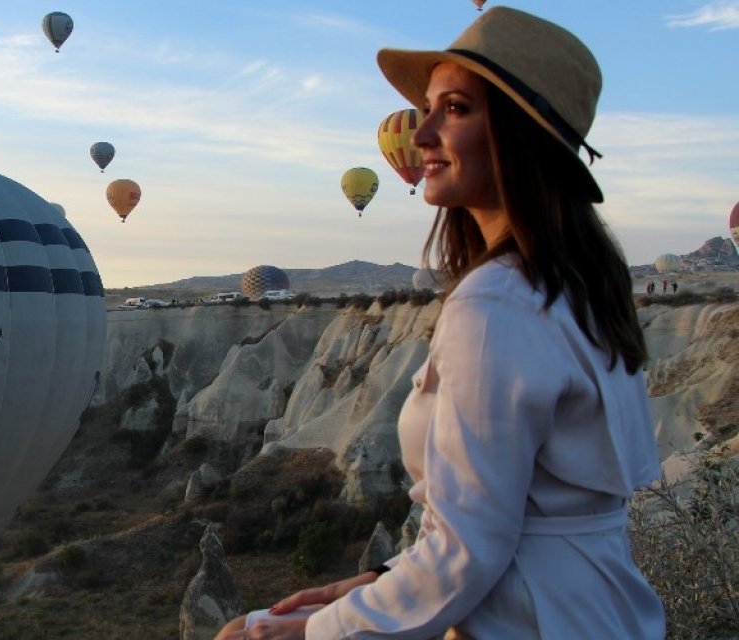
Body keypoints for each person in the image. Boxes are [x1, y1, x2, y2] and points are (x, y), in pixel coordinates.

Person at [217, 7, 664, 639]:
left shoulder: (496, 303)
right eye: (427, 109)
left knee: (241, 632)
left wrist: (315, 632)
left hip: (524, 619)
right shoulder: (586, 287)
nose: (423, 133)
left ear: (519, 134)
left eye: (454, 109)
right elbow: (521, 512)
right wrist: (375, 578)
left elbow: (466, 554)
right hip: (599, 608)